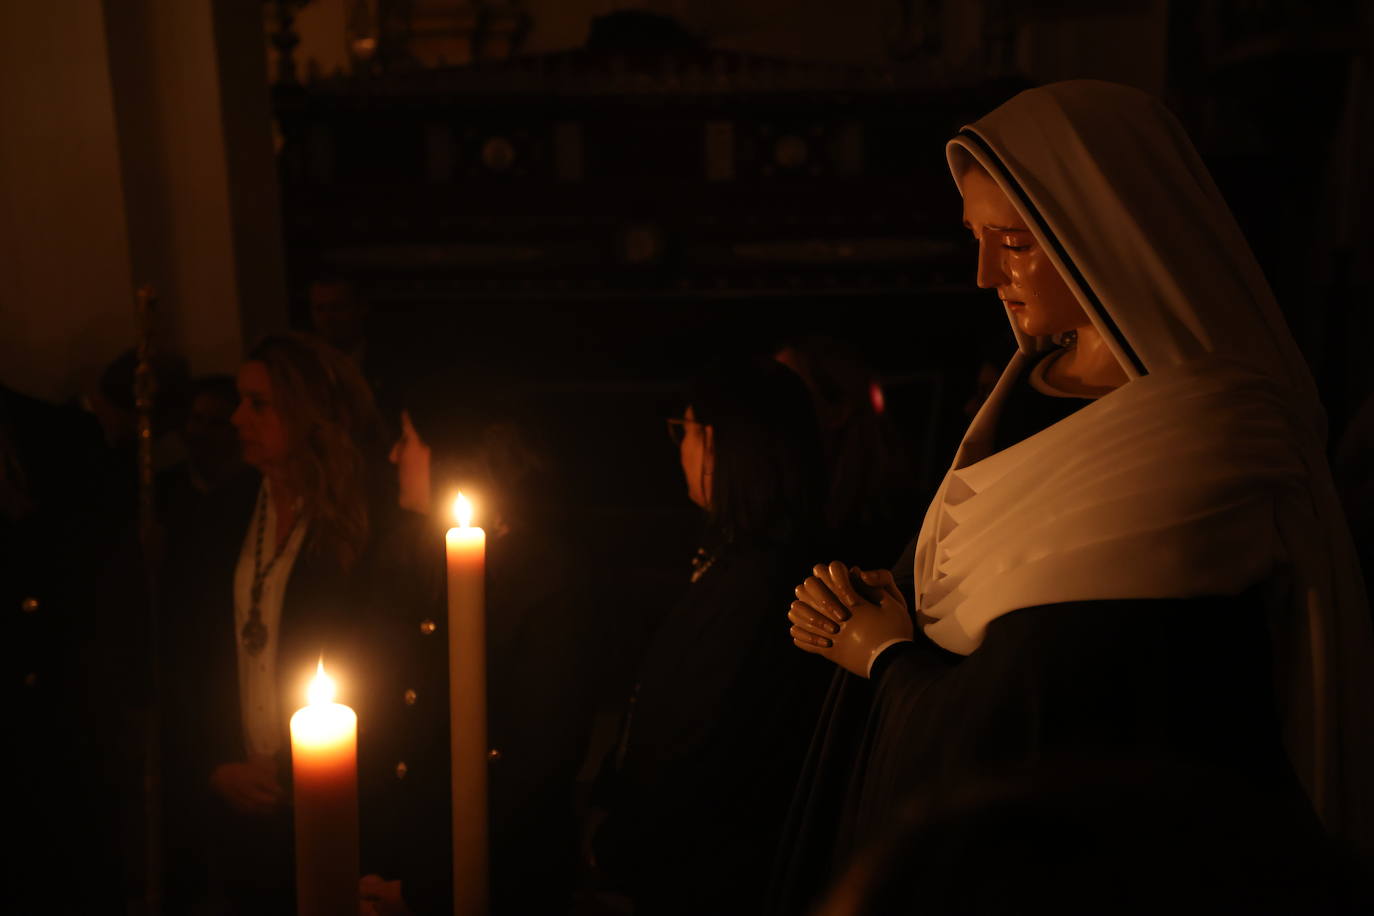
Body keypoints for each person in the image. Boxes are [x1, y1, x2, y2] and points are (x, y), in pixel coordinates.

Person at [775, 80, 1374, 912]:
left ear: (1105, 236)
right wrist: (899, 595)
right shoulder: (1027, 380)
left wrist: (886, 657)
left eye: (1014, 242)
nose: (987, 273)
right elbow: (995, 564)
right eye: (978, 240)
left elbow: (1062, 697)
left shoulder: (1199, 432)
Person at [587, 357, 833, 916]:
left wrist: (616, 843)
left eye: (687, 430)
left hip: (708, 879)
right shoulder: (738, 563)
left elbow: (697, 742)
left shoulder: (760, 588)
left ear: (725, 447)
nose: (680, 447)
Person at [159, 333, 389, 914]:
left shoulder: (364, 526)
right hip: (232, 795)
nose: (238, 419)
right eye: (240, 400)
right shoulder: (220, 512)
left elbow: (378, 658)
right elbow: (187, 654)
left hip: (333, 795)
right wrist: (215, 763)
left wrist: (296, 769)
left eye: (259, 404)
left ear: (307, 412)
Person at [362, 376, 596, 915]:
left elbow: (535, 759)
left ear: (451, 455)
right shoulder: (405, 557)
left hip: (497, 880)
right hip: (396, 858)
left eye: (408, 438)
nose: (395, 454)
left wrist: (428, 886)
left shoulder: (546, 579)